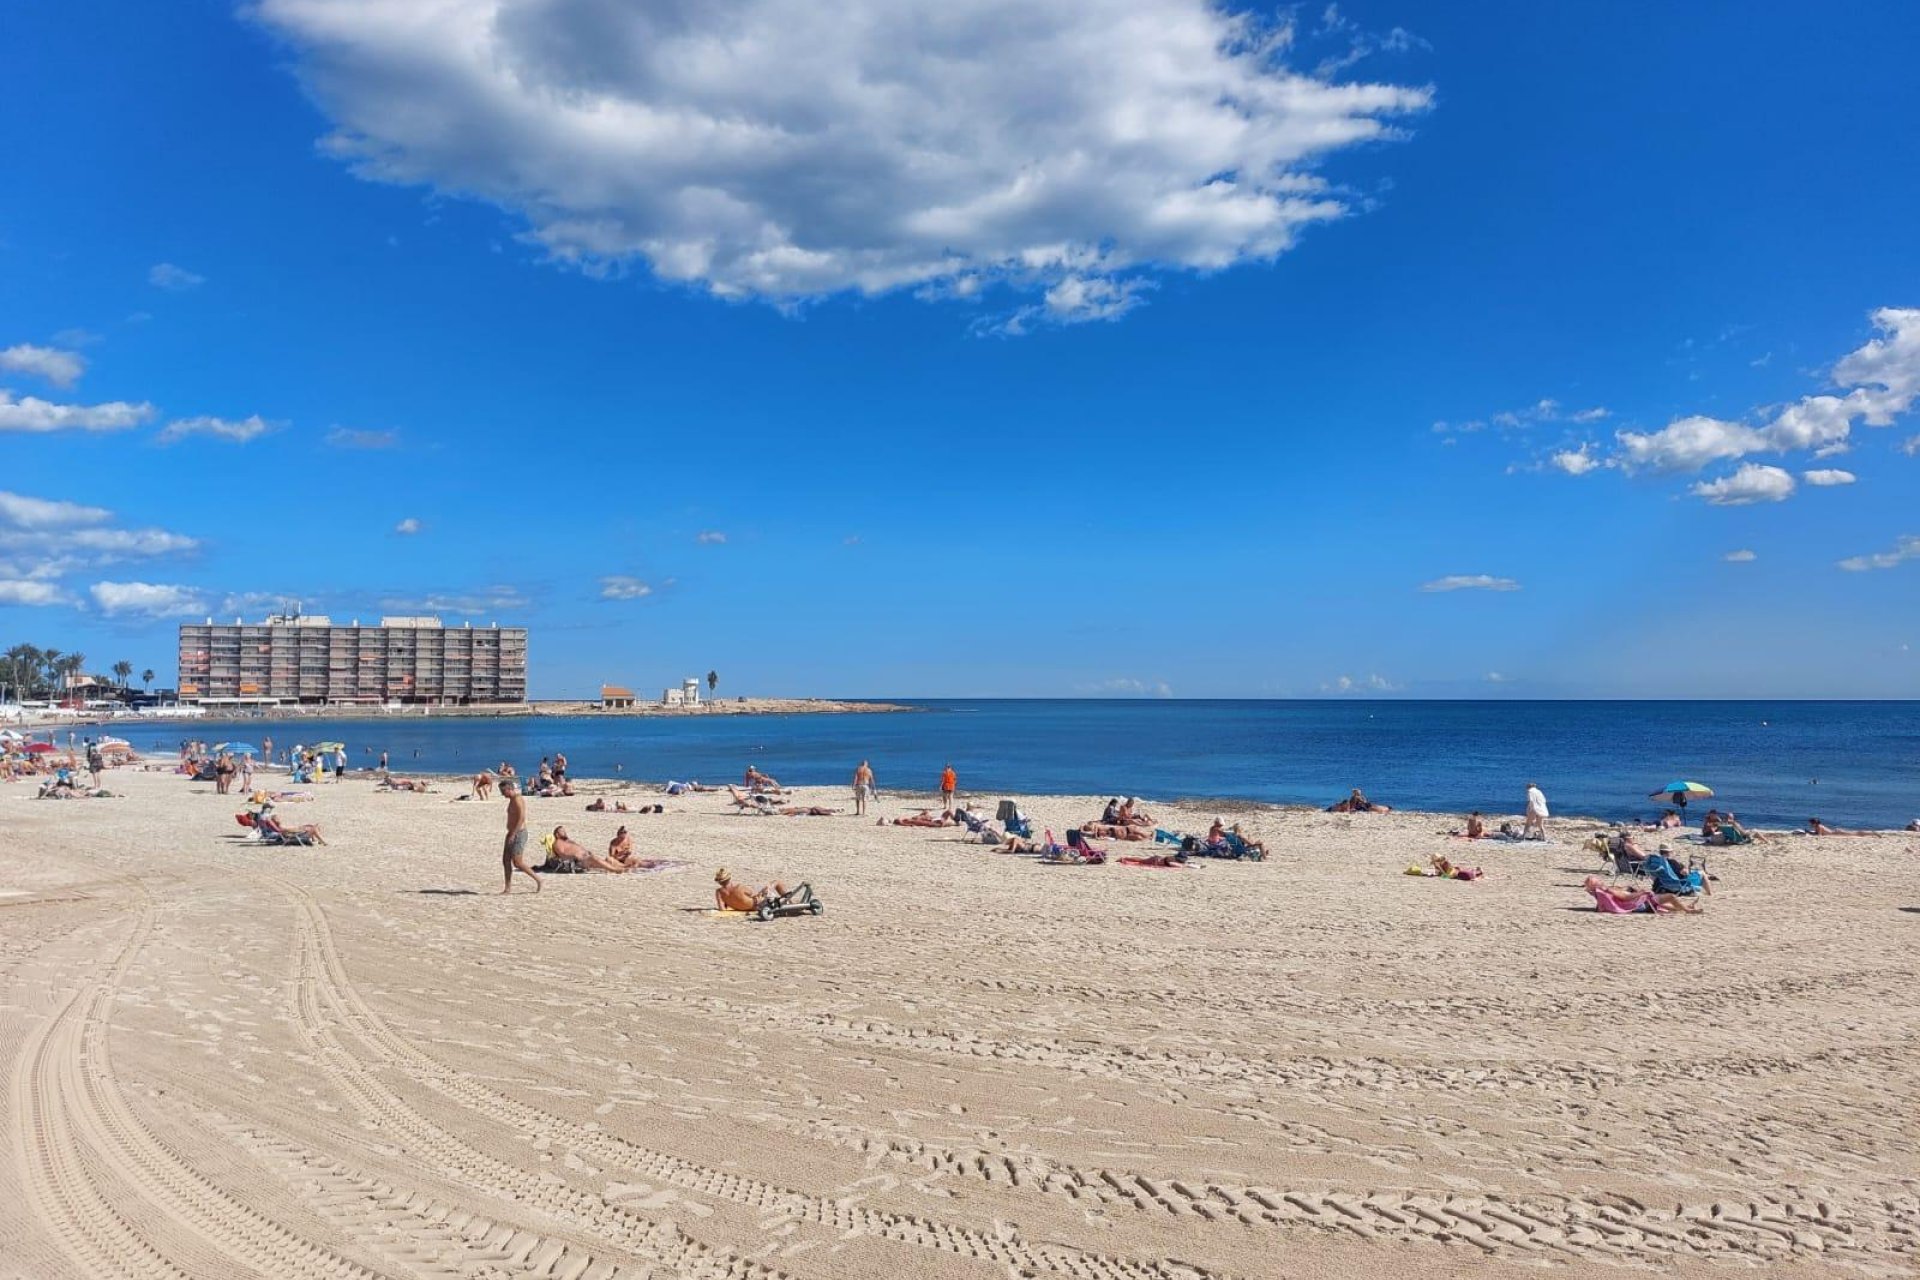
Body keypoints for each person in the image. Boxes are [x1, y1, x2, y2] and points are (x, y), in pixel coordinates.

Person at [499, 780, 539, 894]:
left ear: (510, 789)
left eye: (503, 791)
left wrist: (514, 833)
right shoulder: (511, 800)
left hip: (519, 833)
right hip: (511, 833)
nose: (502, 794)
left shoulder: (517, 799)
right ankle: (507, 888)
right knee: (506, 860)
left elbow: (521, 818)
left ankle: (538, 880)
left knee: (517, 862)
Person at [542, 825, 628, 873]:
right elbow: (562, 854)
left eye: (564, 831)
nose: (565, 832)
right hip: (578, 861)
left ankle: (625, 867)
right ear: (557, 834)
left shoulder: (569, 841)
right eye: (562, 831)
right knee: (595, 859)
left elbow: (579, 848)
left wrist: (586, 852)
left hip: (585, 857)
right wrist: (575, 856)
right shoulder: (557, 843)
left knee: (607, 860)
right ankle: (615, 870)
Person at [714, 867, 788, 912]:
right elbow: (757, 895)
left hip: (743, 908)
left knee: (764, 888)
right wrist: (766, 889)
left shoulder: (719, 892)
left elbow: (722, 909)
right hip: (758, 906)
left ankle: (787, 901)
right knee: (777, 882)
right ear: (729, 878)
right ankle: (789, 902)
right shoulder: (739, 887)